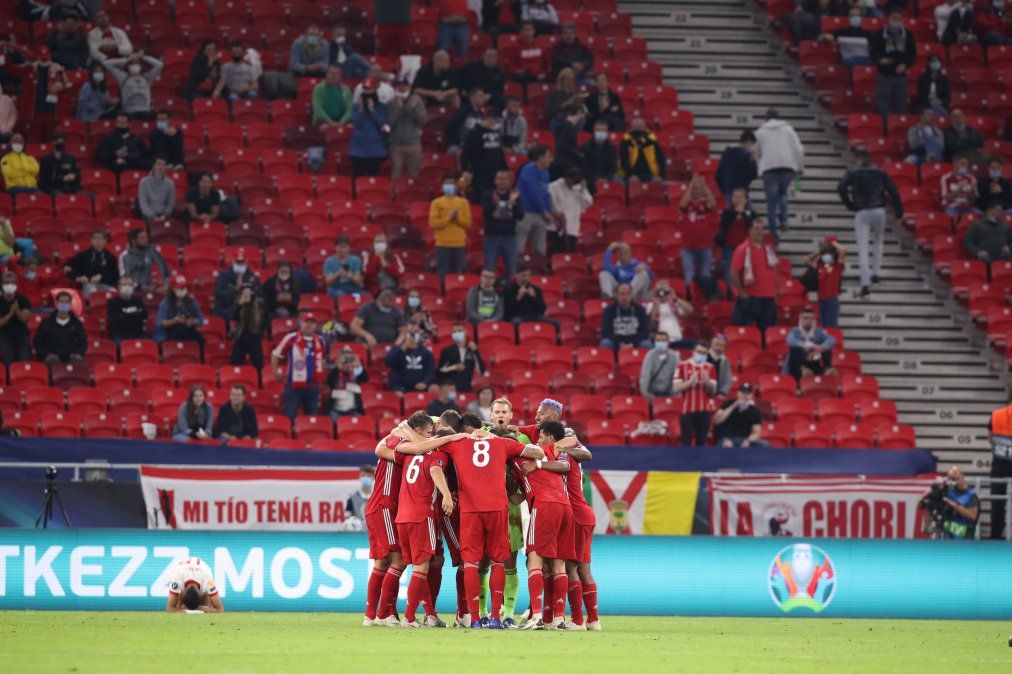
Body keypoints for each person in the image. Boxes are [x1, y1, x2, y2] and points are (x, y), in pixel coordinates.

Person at [439, 427, 544, 628]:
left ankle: (476, 619)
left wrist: (457, 436)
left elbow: (428, 447)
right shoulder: (502, 443)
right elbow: (538, 452)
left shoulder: (458, 443)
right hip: (497, 508)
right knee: (498, 561)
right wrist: (494, 438)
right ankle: (496, 617)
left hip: (470, 509)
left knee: (470, 563)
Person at [837, 149, 902, 300]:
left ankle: (865, 282)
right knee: (879, 240)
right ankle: (876, 273)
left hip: (862, 210)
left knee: (863, 247)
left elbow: (841, 188)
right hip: (879, 209)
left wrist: (849, 204)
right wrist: (899, 212)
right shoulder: (880, 171)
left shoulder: (852, 172)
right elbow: (893, 191)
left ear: (858, 159)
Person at [755, 108, 804, 242]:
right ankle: (784, 218)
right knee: (782, 193)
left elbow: (756, 152)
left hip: (769, 169)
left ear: (765, 118)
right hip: (787, 167)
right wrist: (800, 167)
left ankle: (773, 236)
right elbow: (799, 149)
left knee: (771, 205)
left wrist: (759, 167)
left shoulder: (760, 132)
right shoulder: (788, 129)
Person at [272, 312, 326, 419]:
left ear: (316, 325)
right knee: (290, 415)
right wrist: (276, 372)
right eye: (306, 322)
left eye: (312, 322)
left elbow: (322, 360)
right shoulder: (291, 338)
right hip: (294, 384)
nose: (309, 325)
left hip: (313, 385)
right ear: (301, 323)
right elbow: (275, 354)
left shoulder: (320, 340)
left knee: (312, 416)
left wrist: (321, 374)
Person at [730, 219, 780, 333]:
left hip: (767, 297)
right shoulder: (742, 249)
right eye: (756, 229)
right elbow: (734, 272)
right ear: (750, 231)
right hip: (750, 297)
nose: (760, 232)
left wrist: (776, 289)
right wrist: (742, 293)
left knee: (768, 333)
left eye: (762, 229)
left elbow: (774, 270)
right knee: (744, 331)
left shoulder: (768, 249)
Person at [869, 10, 916, 116]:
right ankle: (884, 128)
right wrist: (880, 60)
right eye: (894, 18)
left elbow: (913, 55)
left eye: (898, 18)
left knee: (901, 106)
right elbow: (872, 53)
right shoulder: (880, 33)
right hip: (884, 75)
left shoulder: (908, 34)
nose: (896, 20)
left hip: (901, 76)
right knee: (883, 106)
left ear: (902, 19)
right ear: (889, 18)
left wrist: (905, 65)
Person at [679, 173, 718, 296]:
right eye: (694, 189)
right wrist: (691, 187)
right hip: (688, 248)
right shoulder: (687, 204)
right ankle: (690, 299)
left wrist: (705, 187)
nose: (696, 191)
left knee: (706, 277)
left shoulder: (704, 204)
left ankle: (704, 302)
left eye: (698, 189)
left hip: (705, 247)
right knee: (689, 277)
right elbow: (682, 205)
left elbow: (713, 204)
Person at [673, 341, 717, 446]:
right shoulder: (682, 366)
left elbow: (713, 391)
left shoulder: (710, 367)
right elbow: (675, 388)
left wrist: (708, 383)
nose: (701, 355)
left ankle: (700, 462)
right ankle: (686, 462)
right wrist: (689, 382)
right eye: (699, 352)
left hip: (704, 411)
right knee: (686, 442)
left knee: (701, 443)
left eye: (704, 353)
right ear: (693, 352)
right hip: (687, 410)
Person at [429, 175, 472, 281]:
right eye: (446, 183)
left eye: (451, 183)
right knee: (442, 272)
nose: (449, 186)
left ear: (455, 186)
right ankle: (442, 295)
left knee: (458, 272)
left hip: (459, 244)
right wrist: (449, 218)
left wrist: (457, 218)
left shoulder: (463, 202)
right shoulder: (436, 203)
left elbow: (468, 224)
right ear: (442, 186)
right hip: (442, 244)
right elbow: (433, 223)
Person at [461, 107, 507, 206]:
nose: (498, 125)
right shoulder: (474, 134)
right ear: (491, 119)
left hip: (496, 175)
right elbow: (465, 154)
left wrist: (505, 169)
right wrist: (465, 169)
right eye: (497, 122)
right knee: (480, 200)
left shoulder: (497, 134)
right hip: (480, 174)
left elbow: (500, 153)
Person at [918, 466, 979, 539]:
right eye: (952, 479)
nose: (955, 481)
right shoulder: (948, 490)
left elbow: (972, 516)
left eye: (957, 478)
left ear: (963, 477)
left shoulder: (971, 495)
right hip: (946, 536)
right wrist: (937, 486)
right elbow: (923, 499)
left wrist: (954, 505)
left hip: (965, 538)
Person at [516, 145, 555, 256]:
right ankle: (516, 270)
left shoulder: (546, 173)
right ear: (540, 158)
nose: (550, 160)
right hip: (526, 212)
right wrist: (544, 211)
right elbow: (534, 192)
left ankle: (538, 271)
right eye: (548, 157)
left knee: (540, 249)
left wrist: (549, 211)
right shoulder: (528, 170)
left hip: (540, 215)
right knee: (519, 246)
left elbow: (545, 194)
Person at [482, 169, 522, 277]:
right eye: (500, 179)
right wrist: (501, 205)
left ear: (509, 181)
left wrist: (512, 204)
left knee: (512, 271)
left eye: (505, 179)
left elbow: (520, 215)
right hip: (492, 238)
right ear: (495, 181)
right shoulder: (488, 195)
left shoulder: (515, 196)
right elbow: (487, 214)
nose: (502, 181)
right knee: (489, 270)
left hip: (509, 238)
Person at [387, 75, 427, 179]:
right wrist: (400, 109)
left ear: (409, 86)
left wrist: (412, 109)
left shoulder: (416, 101)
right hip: (397, 144)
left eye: (404, 85)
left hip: (413, 142)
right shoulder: (391, 102)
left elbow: (424, 120)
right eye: (400, 85)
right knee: (396, 173)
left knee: (414, 174)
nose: (402, 88)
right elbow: (389, 123)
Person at [103, 51, 163, 120]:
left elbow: (159, 65)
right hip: (129, 114)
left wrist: (142, 57)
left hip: (145, 113)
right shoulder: (123, 77)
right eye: (132, 63)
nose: (134, 65)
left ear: (141, 65)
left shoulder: (147, 78)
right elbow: (106, 64)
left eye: (137, 62)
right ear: (128, 66)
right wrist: (127, 59)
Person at [716, 188, 757, 287]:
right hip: (730, 248)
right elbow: (723, 225)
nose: (737, 199)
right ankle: (730, 295)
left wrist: (743, 214)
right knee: (729, 275)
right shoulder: (727, 213)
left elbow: (753, 227)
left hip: (747, 250)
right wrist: (735, 214)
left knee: (746, 275)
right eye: (735, 197)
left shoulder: (751, 214)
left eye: (740, 197)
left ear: (746, 199)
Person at [33, 291, 87, 365]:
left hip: (72, 358)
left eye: (66, 302)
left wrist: (78, 353)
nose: (64, 304)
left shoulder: (76, 323)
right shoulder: (46, 322)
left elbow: (83, 341)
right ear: (57, 304)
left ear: (70, 304)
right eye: (61, 302)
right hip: (53, 359)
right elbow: (37, 341)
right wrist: (46, 354)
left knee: (79, 364)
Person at [802, 237, 846, 327]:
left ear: (833, 254)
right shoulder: (820, 266)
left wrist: (832, 243)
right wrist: (820, 251)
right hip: (821, 300)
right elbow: (806, 260)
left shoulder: (837, 266)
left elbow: (842, 251)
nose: (826, 255)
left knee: (831, 326)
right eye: (825, 253)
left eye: (829, 253)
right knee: (823, 326)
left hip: (832, 300)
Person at [349, 79, 389, 177]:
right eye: (365, 89)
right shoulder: (356, 107)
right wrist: (361, 109)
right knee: (358, 178)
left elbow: (382, 123)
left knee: (374, 178)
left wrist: (372, 110)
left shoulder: (382, 107)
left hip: (375, 149)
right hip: (358, 148)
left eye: (369, 89)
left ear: (374, 90)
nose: (367, 92)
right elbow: (355, 121)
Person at [548, 166, 593, 253]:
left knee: (570, 255)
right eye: (572, 181)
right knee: (556, 256)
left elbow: (589, 203)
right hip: (555, 228)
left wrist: (583, 190)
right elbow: (546, 203)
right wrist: (553, 212)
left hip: (572, 228)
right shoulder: (553, 187)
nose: (573, 184)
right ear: (567, 178)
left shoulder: (579, 187)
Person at [785, 307, 838, 379]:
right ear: (801, 320)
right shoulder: (795, 331)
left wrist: (820, 348)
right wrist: (806, 345)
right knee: (794, 350)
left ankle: (827, 370)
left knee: (826, 349)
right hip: (799, 362)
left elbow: (832, 340)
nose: (808, 321)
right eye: (805, 318)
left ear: (814, 320)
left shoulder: (818, 332)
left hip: (813, 358)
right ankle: (803, 370)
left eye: (810, 318)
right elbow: (790, 341)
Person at [64, 230, 118, 298]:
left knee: (114, 292)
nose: (97, 240)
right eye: (95, 238)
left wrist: (102, 276)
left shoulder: (110, 257)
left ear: (105, 241)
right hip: (88, 285)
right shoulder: (83, 255)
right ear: (91, 240)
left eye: (100, 238)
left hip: (104, 285)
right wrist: (78, 278)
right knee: (93, 292)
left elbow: (114, 276)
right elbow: (66, 267)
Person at [154, 276, 206, 344]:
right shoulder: (165, 303)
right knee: (178, 332)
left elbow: (201, 319)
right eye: (180, 287)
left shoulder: (191, 301)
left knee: (200, 340)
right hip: (170, 331)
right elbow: (160, 323)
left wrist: (193, 322)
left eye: (184, 287)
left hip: (187, 329)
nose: (183, 289)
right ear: (173, 289)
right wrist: (174, 321)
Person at [599, 283, 651, 350]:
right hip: (616, 342)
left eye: (627, 294)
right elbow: (606, 332)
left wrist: (633, 344)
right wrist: (620, 344)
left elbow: (644, 332)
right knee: (605, 343)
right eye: (622, 294)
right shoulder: (609, 310)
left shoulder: (640, 310)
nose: (625, 297)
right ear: (617, 295)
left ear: (631, 295)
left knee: (647, 344)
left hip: (635, 342)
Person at [713, 383, 767, 448]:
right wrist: (734, 405)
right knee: (727, 445)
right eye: (742, 393)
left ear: (751, 395)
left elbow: (756, 433)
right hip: (726, 438)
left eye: (747, 393)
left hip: (744, 438)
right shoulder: (727, 404)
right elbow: (716, 421)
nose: (744, 395)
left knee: (764, 444)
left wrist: (748, 440)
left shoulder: (754, 411)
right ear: (738, 393)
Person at [437, 321, 486, 391]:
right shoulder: (447, 350)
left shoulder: (471, 350)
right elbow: (440, 371)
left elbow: (481, 371)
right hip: (451, 388)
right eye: (454, 332)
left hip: (467, 387)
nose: (457, 333)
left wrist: (475, 351)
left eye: (460, 331)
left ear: (466, 332)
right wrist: (454, 367)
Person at [644, 279, 694, 348]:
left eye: (664, 290)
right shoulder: (651, 305)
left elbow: (690, 310)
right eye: (659, 291)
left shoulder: (675, 304)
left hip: (677, 339)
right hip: (660, 341)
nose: (662, 293)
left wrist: (676, 298)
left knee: (695, 344)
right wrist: (656, 304)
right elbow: (651, 322)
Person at [503, 262, 555, 329]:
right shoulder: (509, 289)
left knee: (554, 324)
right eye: (523, 276)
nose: (526, 278)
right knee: (516, 323)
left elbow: (542, 309)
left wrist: (534, 297)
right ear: (516, 275)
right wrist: (518, 298)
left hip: (534, 316)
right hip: (518, 316)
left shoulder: (535, 289)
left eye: (528, 275)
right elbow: (507, 313)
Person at [988, 396, 1012, 539]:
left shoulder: (996, 415)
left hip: (999, 463)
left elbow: (990, 438)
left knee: (997, 502)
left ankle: (996, 536)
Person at [119, 227, 170, 292]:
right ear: (134, 241)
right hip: (133, 289)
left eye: (146, 237)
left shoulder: (150, 249)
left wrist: (166, 283)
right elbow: (125, 278)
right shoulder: (124, 256)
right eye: (142, 238)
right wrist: (142, 287)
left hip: (149, 287)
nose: (146, 240)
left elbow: (162, 264)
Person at [617, 116, 666, 183]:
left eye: (640, 126)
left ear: (644, 126)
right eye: (636, 126)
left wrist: (660, 176)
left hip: (650, 174)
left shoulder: (651, 139)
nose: (638, 128)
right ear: (632, 127)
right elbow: (624, 159)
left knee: (660, 184)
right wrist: (631, 175)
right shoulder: (626, 139)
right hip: (630, 175)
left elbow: (661, 158)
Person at [715, 130, 757, 205]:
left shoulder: (727, 154)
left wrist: (724, 190)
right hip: (742, 193)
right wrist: (753, 161)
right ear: (749, 142)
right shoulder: (747, 156)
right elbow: (753, 174)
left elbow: (718, 175)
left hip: (728, 192)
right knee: (747, 215)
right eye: (752, 144)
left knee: (730, 215)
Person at [964, 201, 1012, 268]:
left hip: (1002, 257)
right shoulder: (976, 225)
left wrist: (1009, 248)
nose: (1000, 213)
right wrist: (977, 252)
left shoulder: (1005, 226)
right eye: (997, 211)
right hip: (985, 258)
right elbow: (967, 242)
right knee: (983, 259)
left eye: (1001, 211)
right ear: (989, 211)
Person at [229, 284, 266, 370]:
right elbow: (232, 316)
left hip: (254, 336)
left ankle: (258, 382)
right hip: (241, 335)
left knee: (258, 365)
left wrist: (260, 332)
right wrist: (240, 304)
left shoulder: (260, 304)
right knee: (235, 363)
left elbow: (265, 320)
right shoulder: (238, 303)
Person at [324, 346, 369, 418]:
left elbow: (366, 378)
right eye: (344, 356)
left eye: (349, 355)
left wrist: (358, 364)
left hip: (353, 409)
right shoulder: (335, 371)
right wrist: (338, 367)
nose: (347, 359)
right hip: (336, 409)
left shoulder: (356, 371)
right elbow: (329, 381)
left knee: (359, 421)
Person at [0, 271, 31, 366]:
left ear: (16, 285)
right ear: (2, 285)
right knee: (8, 364)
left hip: (22, 337)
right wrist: (10, 314)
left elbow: (25, 319)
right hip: (4, 337)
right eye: (7, 283)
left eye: (12, 283)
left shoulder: (23, 300)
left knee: (23, 364)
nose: (10, 285)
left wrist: (17, 311)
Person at [639, 331, 679, 401]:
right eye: (658, 340)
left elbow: (677, 376)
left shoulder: (674, 356)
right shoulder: (650, 355)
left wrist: (676, 392)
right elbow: (645, 375)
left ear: (668, 342)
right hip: (653, 390)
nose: (660, 342)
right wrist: (645, 393)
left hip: (669, 390)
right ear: (655, 342)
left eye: (663, 340)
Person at [106, 276, 147, 343]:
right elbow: (114, 320)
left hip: (137, 332)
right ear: (119, 287)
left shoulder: (139, 300)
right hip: (119, 333)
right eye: (125, 285)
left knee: (147, 345)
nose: (127, 287)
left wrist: (124, 316)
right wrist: (135, 314)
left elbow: (144, 315)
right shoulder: (112, 303)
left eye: (130, 285)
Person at [580, 120, 618, 189]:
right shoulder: (585, 146)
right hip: (590, 178)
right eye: (599, 130)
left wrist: (607, 178)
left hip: (608, 178)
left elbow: (613, 166)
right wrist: (596, 179)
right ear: (594, 131)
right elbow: (584, 167)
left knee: (620, 184)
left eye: (604, 130)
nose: (601, 132)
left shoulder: (611, 147)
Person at [138, 156, 175, 225]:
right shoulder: (144, 182)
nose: (161, 167)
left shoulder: (170, 183)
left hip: (164, 215)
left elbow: (170, 203)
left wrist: (164, 215)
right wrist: (153, 217)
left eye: (163, 165)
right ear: (153, 166)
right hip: (148, 216)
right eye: (158, 164)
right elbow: (143, 203)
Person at [941, 154, 979, 220]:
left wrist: (973, 190)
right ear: (955, 164)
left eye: (966, 165)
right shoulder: (946, 178)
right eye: (962, 164)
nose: (965, 166)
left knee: (980, 215)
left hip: (967, 207)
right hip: (952, 206)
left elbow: (974, 198)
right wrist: (959, 189)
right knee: (951, 216)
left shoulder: (971, 178)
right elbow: (946, 198)